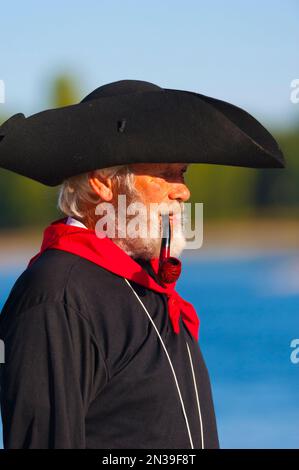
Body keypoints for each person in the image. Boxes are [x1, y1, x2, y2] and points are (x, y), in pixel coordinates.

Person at [0, 79, 285, 449]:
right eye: (166, 172)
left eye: (182, 173)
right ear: (102, 181)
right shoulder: (56, 297)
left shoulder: (141, 284)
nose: (183, 191)